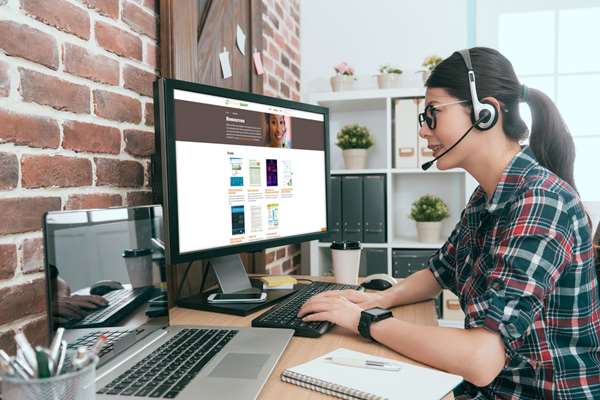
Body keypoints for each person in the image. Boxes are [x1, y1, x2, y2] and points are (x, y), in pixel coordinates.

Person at [298, 47, 600, 399]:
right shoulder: (487, 196)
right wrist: (378, 300)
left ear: (485, 112)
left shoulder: (541, 201)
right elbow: (441, 271)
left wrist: (363, 322)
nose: (424, 131)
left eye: (432, 114)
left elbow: (481, 359)